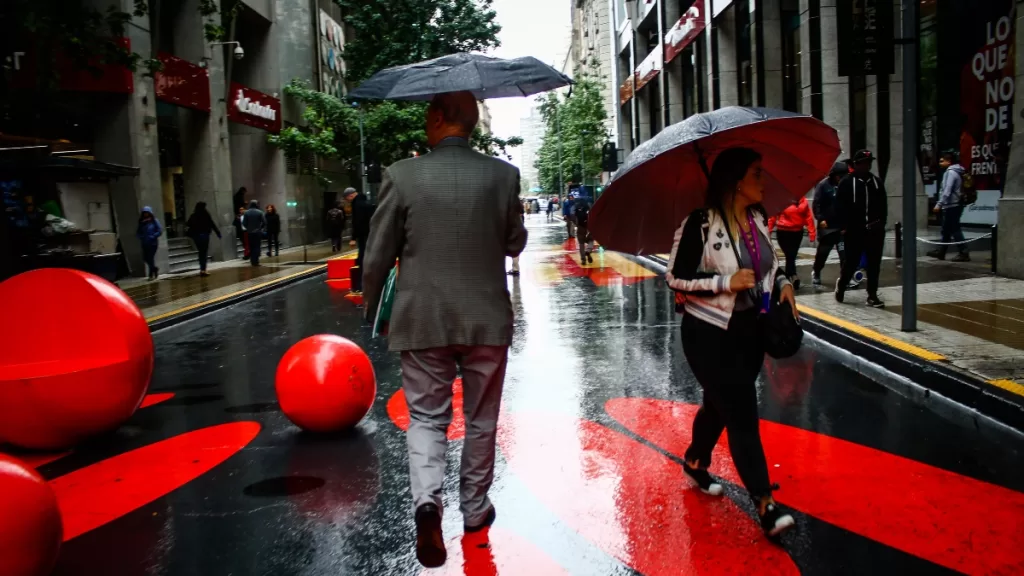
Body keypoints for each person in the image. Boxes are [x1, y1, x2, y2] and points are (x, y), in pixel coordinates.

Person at [362, 91, 527, 568]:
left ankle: (427, 504)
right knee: (481, 419)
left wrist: (375, 307)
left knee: (428, 418)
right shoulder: (503, 175)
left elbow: (377, 255)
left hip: (422, 318)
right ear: (472, 123)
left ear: (437, 118)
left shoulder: (401, 175)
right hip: (486, 320)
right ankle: (474, 510)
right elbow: (515, 242)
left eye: (426, 117)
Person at [665, 147, 798, 538]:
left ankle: (694, 459)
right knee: (741, 411)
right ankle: (765, 504)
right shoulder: (700, 224)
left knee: (718, 405)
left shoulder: (758, 219)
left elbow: (771, 265)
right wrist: (725, 282)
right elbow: (675, 277)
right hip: (708, 334)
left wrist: (785, 284)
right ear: (737, 181)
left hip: (750, 332)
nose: (764, 181)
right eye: (758, 173)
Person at [835, 149, 887, 308]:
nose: (867, 165)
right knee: (851, 262)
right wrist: (843, 226)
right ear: (856, 165)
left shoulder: (876, 182)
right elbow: (839, 206)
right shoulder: (846, 182)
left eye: (869, 162)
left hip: (874, 230)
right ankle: (842, 285)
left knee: (874, 264)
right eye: (864, 163)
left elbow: (883, 205)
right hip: (854, 230)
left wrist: (880, 224)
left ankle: (872, 295)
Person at [811, 162, 849, 287]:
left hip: (841, 227)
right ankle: (816, 271)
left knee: (844, 255)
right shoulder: (823, 185)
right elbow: (816, 204)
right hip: (827, 228)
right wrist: (821, 219)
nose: (840, 178)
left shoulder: (845, 186)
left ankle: (845, 278)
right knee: (823, 253)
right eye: (839, 176)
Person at [929, 152, 970, 262]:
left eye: (942, 161)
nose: (940, 163)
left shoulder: (951, 172)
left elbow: (947, 190)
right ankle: (942, 251)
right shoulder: (957, 171)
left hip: (952, 205)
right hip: (954, 204)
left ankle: (964, 252)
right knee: (946, 229)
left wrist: (939, 204)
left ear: (949, 161)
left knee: (954, 228)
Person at [768, 196, 815, 289]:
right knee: (790, 255)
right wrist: (767, 231)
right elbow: (773, 217)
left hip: (797, 233)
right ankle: (792, 275)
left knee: (791, 255)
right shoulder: (780, 200)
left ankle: (789, 276)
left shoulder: (803, 201)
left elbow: (809, 217)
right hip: (783, 232)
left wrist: (812, 233)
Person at [185, 202, 221, 276]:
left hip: (197, 237)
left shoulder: (193, 215)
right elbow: (212, 224)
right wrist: (218, 233)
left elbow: (188, 224)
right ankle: (203, 269)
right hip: (205, 236)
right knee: (204, 252)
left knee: (201, 252)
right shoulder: (206, 215)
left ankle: (202, 269)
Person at [345, 187, 373, 269]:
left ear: (350, 196)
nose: (348, 201)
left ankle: (362, 273)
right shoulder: (367, 202)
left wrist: (353, 238)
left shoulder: (357, 204)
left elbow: (357, 221)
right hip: (371, 232)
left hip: (363, 233)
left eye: (347, 199)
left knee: (363, 252)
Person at [136, 206, 163, 280]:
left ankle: (151, 274)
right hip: (144, 243)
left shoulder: (154, 221)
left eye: (147, 213)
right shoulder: (142, 222)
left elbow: (160, 231)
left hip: (153, 243)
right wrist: (140, 237)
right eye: (144, 213)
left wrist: (153, 236)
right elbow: (138, 232)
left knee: (150, 258)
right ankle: (154, 269)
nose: (146, 214)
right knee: (145, 258)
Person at [241, 200, 266, 266]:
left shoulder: (246, 213)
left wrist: (248, 228)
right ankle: (256, 261)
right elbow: (264, 222)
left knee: (251, 247)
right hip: (257, 232)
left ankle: (252, 261)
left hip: (250, 233)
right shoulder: (260, 212)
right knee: (257, 246)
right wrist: (260, 228)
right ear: (256, 205)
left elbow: (244, 223)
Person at [575, 198, 594, 264]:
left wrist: (577, 225)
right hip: (588, 227)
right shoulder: (588, 207)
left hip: (580, 228)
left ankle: (583, 259)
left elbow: (574, 217)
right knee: (591, 240)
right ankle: (588, 250)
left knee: (581, 244)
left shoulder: (577, 208)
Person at [509, 198, 525, 276]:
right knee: (515, 250)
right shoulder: (518, 205)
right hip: (518, 229)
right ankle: (515, 268)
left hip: (513, 230)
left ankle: (515, 269)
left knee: (514, 250)